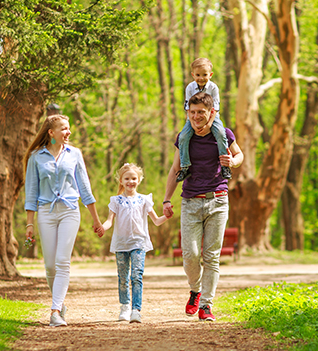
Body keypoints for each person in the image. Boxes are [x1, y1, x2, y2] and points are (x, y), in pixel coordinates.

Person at [162, 92, 245, 322]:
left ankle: (206, 305)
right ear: (188, 112)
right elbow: (175, 168)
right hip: (190, 200)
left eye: (201, 112)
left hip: (218, 199)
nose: (196, 117)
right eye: (192, 112)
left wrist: (233, 161)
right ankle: (195, 290)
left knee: (211, 256)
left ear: (211, 113)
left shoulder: (224, 134)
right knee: (190, 255)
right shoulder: (184, 138)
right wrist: (167, 199)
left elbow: (239, 155)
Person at [23, 114, 105, 327]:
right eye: (64, 129)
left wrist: (96, 220)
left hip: (70, 211)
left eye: (69, 128)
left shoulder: (75, 154)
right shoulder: (35, 157)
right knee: (50, 266)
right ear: (51, 132)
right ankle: (59, 302)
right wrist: (29, 224)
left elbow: (85, 188)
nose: (68, 132)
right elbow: (31, 191)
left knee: (62, 262)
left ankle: (55, 310)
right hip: (46, 212)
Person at [99, 163, 170, 323]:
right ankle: (124, 307)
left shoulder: (144, 200)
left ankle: (136, 310)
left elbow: (157, 221)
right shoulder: (116, 201)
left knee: (136, 276)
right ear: (121, 181)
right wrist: (102, 228)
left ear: (139, 180)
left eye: (133, 178)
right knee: (123, 277)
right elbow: (109, 221)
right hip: (121, 244)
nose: (130, 181)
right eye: (127, 178)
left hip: (139, 243)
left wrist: (167, 216)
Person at [176, 58, 231, 181]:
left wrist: (209, 124)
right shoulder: (190, 88)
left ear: (210, 75)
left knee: (221, 133)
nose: (201, 78)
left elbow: (216, 107)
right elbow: (188, 107)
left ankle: (224, 165)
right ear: (193, 75)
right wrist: (193, 124)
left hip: (212, 117)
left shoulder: (213, 88)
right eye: (198, 75)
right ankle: (185, 167)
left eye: (204, 75)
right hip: (193, 117)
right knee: (183, 137)